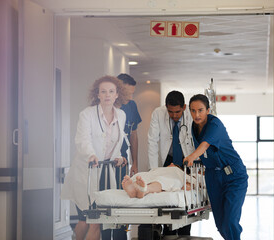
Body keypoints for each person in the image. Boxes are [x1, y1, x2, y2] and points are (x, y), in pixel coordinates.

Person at [61, 75, 127, 240]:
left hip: (105, 172)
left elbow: (115, 143)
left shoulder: (121, 115)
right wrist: (91, 154)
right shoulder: (87, 114)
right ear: (97, 94)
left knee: (96, 220)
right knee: (86, 220)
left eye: (111, 91)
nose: (107, 95)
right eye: (103, 92)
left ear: (117, 94)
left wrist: (118, 157)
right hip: (87, 172)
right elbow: (83, 139)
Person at [183, 94, 248, 240]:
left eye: (200, 110)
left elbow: (205, 145)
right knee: (220, 224)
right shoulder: (193, 127)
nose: (196, 114)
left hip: (234, 176)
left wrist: (192, 157)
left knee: (230, 221)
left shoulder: (215, 124)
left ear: (208, 110)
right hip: (213, 176)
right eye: (193, 111)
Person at [147, 90, 195, 236]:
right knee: (166, 198)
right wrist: (154, 171)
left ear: (184, 107)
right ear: (166, 107)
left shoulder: (191, 114)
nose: (174, 115)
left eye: (177, 112)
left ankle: (184, 234)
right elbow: (152, 142)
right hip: (167, 161)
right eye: (170, 111)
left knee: (186, 202)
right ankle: (167, 233)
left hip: (187, 160)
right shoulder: (158, 113)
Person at [101, 73, 142, 240]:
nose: (130, 97)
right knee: (106, 205)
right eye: (128, 93)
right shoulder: (105, 107)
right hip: (105, 164)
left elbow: (133, 135)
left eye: (133, 93)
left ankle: (120, 237)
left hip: (123, 163)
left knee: (123, 202)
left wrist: (135, 163)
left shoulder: (131, 106)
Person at [122, 163, 192, 199]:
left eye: (174, 164)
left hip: (167, 178)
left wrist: (187, 185)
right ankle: (134, 189)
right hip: (152, 174)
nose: (171, 163)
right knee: (143, 177)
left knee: (161, 180)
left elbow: (192, 183)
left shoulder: (178, 172)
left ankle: (143, 190)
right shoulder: (158, 169)